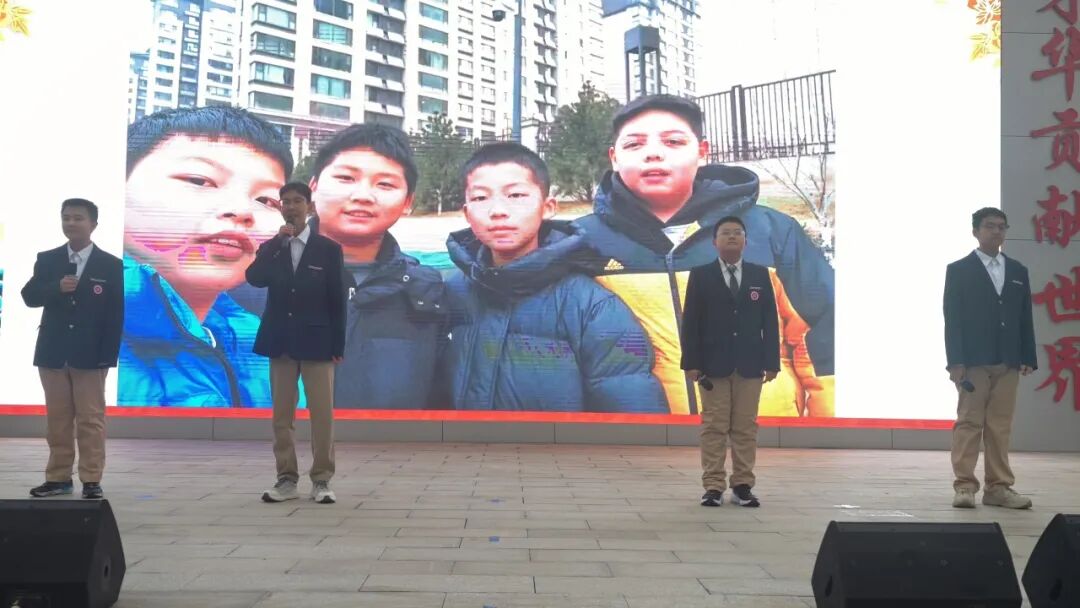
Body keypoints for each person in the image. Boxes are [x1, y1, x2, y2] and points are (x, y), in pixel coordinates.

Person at [573, 94, 833, 418]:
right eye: (634, 144)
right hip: (646, 438)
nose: (653, 153)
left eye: (673, 141)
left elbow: (825, 330)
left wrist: (829, 431)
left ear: (702, 152)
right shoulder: (581, 242)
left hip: (762, 432)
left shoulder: (770, 231)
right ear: (614, 157)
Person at [442, 142, 666, 412]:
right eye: (480, 198)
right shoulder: (448, 293)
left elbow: (634, 414)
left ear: (548, 207)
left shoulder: (592, 307)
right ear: (467, 213)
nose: (498, 210)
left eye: (515, 195)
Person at [121, 106, 294, 408]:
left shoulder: (264, 348)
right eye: (199, 181)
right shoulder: (61, 323)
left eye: (267, 200)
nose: (242, 211)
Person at [309, 124, 445, 409]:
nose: (363, 195)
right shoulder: (255, 283)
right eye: (346, 178)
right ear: (313, 188)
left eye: (385, 184)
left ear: (408, 202)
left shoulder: (428, 292)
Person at [246, 182, 346, 504]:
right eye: (285, 202)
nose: (291, 207)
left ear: (310, 207)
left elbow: (337, 300)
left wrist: (338, 344)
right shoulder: (272, 247)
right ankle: (286, 479)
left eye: (297, 201)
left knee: (322, 415)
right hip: (280, 341)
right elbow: (254, 278)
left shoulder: (328, 249)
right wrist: (277, 244)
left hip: (318, 342)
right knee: (282, 416)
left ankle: (322, 480)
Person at [21, 198, 124, 499]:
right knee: (58, 420)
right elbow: (29, 296)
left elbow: (115, 314)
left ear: (93, 224)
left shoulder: (110, 265)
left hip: (90, 354)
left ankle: (91, 479)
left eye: (78, 218)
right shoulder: (48, 259)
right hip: (53, 351)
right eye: (66, 218)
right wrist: (56, 288)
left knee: (91, 419)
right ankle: (58, 478)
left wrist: (108, 356)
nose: (71, 223)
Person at [680, 216, 779, 507]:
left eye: (738, 233)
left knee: (745, 427)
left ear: (746, 241)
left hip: (750, 364)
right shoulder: (701, 275)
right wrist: (691, 362)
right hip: (712, 365)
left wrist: (772, 361)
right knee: (714, 426)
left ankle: (742, 485)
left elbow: (770, 321)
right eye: (726, 233)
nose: (732, 237)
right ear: (715, 242)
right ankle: (713, 486)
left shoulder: (760, 275)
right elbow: (691, 322)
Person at [944, 208, 1036, 510]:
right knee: (969, 422)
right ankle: (965, 486)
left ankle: (998, 488)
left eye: (1001, 227)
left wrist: (1028, 355)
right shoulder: (959, 270)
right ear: (976, 231)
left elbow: (1024, 317)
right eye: (990, 226)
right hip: (973, 360)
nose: (997, 231)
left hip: (1008, 360)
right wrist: (955, 361)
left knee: (1000, 425)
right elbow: (952, 319)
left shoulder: (1018, 270)